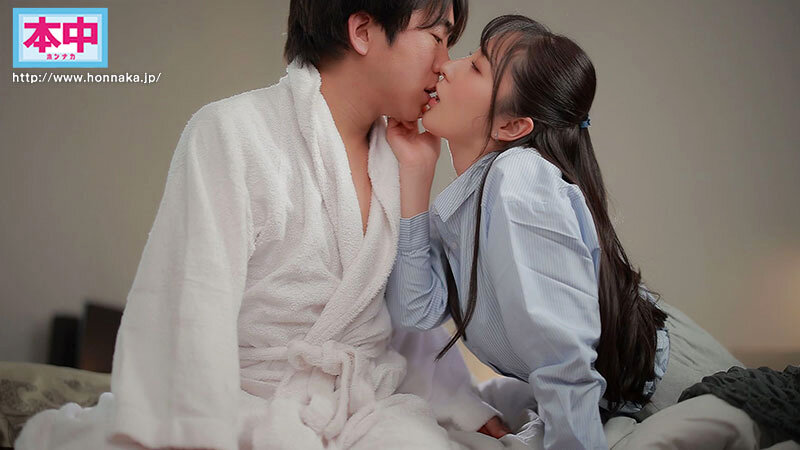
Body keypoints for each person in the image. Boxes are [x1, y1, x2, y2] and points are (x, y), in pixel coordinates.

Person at [15, 1, 510, 449]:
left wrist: (461, 404)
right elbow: (194, 300)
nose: (445, 62)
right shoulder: (231, 132)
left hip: (364, 409)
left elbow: (403, 316)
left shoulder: (399, 158)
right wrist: (193, 429)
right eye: (437, 36)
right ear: (362, 31)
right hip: (249, 400)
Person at [385, 14, 741, 449]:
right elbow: (416, 310)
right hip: (627, 390)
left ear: (512, 126)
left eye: (476, 67)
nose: (446, 66)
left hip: (675, 384)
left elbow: (563, 354)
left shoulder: (516, 182)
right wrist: (415, 176)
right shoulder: (473, 197)